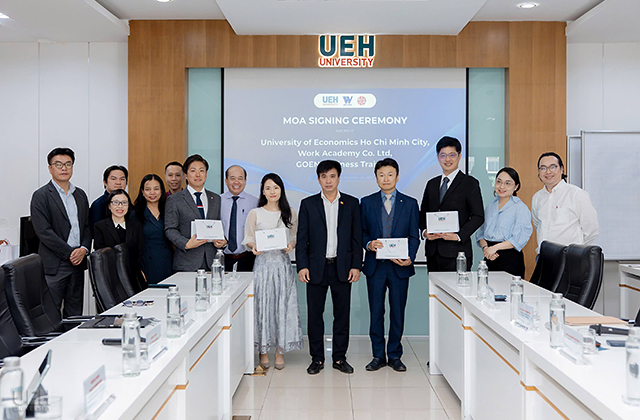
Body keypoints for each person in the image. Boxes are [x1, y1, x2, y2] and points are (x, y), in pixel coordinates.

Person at [296, 160, 362, 375]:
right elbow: (302, 238)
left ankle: (339, 358)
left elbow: (356, 238)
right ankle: (317, 358)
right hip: (316, 268)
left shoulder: (351, 203)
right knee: (315, 315)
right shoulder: (308, 204)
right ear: (318, 179)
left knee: (342, 316)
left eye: (332, 176)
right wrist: (302, 266)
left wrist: (356, 265)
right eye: (324, 176)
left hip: (342, 268)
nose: (328, 181)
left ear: (339, 178)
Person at [361, 158, 420, 372]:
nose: (386, 179)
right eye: (381, 175)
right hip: (375, 267)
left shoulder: (410, 203)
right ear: (376, 177)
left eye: (390, 174)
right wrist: (369, 244)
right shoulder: (366, 202)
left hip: (399, 267)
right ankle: (378, 355)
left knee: (397, 312)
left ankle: (394, 355)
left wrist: (410, 257)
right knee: (376, 312)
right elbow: (361, 232)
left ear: (397, 176)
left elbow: (414, 236)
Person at [242, 173, 303, 370]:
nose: (272, 191)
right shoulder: (255, 213)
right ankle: (262, 351)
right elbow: (248, 238)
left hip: (282, 266)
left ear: (281, 190)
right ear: (263, 191)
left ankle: (279, 351)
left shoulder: (290, 213)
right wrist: (253, 246)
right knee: (263, 306)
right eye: (268, 188)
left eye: (276, 187)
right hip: (262, 266)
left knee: (281, 306)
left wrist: (291, 245)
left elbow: (296, 237)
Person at [30, 148, 91, 317]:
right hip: (55, 264)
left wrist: (84, 249)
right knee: (51, 313)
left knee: (75, 313)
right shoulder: (41, 196)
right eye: (58, 164)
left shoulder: (80, 195)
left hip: (78, 262)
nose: (64, 168)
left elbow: (87, 226)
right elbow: (44, 232)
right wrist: (70, 253)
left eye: (68, 164)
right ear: (50, 168)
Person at [419, 136, 484, 272]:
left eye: (452, 155)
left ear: (459, 156)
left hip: (458, 252)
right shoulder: (432, 184)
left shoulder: (470, 183)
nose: (447, 159)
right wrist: (425, 232)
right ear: (438, 157)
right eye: (443, 155)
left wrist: (459, 235)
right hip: (433, 252)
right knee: (434, 287)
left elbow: (478, 216)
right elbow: (423, 213)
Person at [164, 154, 227, 271]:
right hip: (186, 262)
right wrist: (186, 243)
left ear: (206, 174)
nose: (198, 175)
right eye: (193, 171)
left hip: (212, 262)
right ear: (186, 175)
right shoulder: (174, 200)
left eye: (201, 171)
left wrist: (223, 241)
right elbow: (170, 229)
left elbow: (219, 225)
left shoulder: (215, 198)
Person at [531, 152, 599, 253]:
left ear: (562, 169)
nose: (548, 172)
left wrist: (576, 251)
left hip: (570, 256)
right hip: (544, 256)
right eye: (543, 168)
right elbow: (538, 225)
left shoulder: (576, 194)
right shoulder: (537, 197)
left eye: (553, 167)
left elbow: (591, 228)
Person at [476, 167, 532, 278]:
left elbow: (519, 238)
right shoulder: (490, 207)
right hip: (489, 257)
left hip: (510, 259)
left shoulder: (520, 208)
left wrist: (495, 248)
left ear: (516, 187)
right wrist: (486, 248)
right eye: (499, 182)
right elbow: (481, 234)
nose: (502, 186)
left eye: (508, 183)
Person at [93, 189, 144, 286]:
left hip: (133, 275)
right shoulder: (100, 227)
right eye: (116, 202)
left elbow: (140, 251)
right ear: (109, 205)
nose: (120, 206)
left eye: (124, 203)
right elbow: (100, 253)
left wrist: (141, 271)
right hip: (110, 276)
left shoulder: (136, 226)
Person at [132, 174, 173, 284]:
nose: (152, 193)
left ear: (161, 191)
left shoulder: (169, 211)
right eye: (148, 189)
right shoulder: (136, 214)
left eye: (156, 189)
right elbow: (132, 245)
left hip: (169, 262)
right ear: (142, 192)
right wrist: (138, 269)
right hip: (147, 264)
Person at [221, 165, 258, 272]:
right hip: (223, 258)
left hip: (248, 258)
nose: (236, 182)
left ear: (245, 181)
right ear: (226, 181)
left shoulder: (255, 202)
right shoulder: (217, 201)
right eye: (232, 178)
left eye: (240, 178)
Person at [89, 165, 128, 231]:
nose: (118, 182)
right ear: (105, 182)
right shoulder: (98, 205)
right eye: (113, 179)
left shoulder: (128, 202)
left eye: (122, 179)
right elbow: (95, 231)